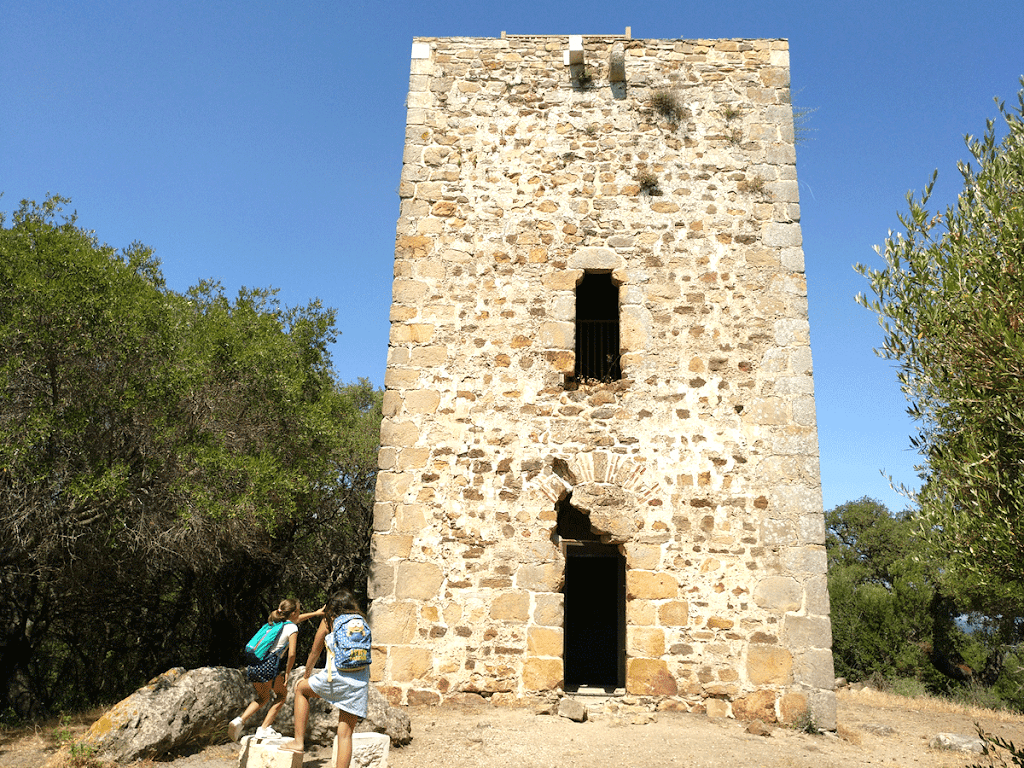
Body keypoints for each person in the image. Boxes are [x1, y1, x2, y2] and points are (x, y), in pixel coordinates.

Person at [280, 589, 370, 767]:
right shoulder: (361, 621)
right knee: (345, 734)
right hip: (359, 681)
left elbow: (315, 650)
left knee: (301, 689)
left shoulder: (330, 620)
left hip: (337, 676)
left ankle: (298, 742)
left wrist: (306, 674)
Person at [228, 598, 324, 742]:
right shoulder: (292, 628)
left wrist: (315, 613)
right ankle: (264, 728)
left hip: (254, 665)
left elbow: (296, 619)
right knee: (281, 695)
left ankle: (239, 721)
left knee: (263, 697)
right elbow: (292, 653)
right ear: (293, 613)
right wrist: (287, 672)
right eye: (298, 611)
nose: (299, 614)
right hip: (268, 667)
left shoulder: (274, 623)